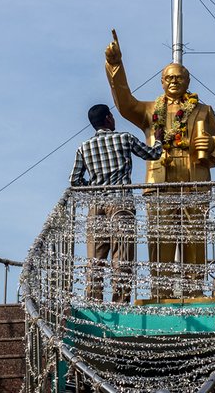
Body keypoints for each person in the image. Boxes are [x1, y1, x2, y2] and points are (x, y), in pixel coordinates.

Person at [104, 31, 215, 299]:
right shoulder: (150, 110)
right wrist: (115, 66)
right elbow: (124, 104)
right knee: (160, 239)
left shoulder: (203, 111)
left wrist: (213, 145)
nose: (174, 81)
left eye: (179, 77)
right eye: (169, 77)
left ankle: (195, 290)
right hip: (160, 180)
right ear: (161, 82)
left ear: (188, 81)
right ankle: (161, 291)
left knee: (194, 238)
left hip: (195, 178)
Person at [69, 103, 163, 303]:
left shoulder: (83, 147)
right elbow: (153, 155)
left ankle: (93, 303)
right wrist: (159, 140)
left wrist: (94, 186)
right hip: (121, 203)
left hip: (96, 206)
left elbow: (74, 181)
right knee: (122, 256)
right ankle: (119, 303)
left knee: (95, 259)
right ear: (109, 118)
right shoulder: (124, 138)